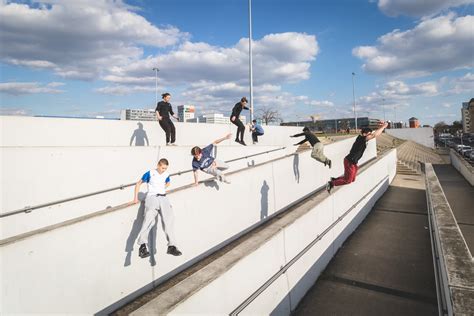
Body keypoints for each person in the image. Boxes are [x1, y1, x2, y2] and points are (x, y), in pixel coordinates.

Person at [132, 158, 182, 258]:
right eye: (163, 168)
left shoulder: (166, 174)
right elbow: (138, 183)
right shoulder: (150, 173)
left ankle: (171, 246)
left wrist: (162, 188)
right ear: (159, 165)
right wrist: (135, 198)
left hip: (163, 197)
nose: (164, 170)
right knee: (149, 220)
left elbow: (168, 182)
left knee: (169, 221)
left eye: (165, 168)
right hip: (152, 197)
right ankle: (142, 246)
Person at [326, 121, 389, 193]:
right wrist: (383, 127)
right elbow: (374, 135)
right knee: (348, 180)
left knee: (352, 179)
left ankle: (334, 180)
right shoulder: (361, 138)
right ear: (364, 134)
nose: (370, 136)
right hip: (350, 162)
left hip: (353, 162)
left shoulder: (362, 138)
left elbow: (375, 134)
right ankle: (331, 183)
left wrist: (381, 128)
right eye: (369, 134)